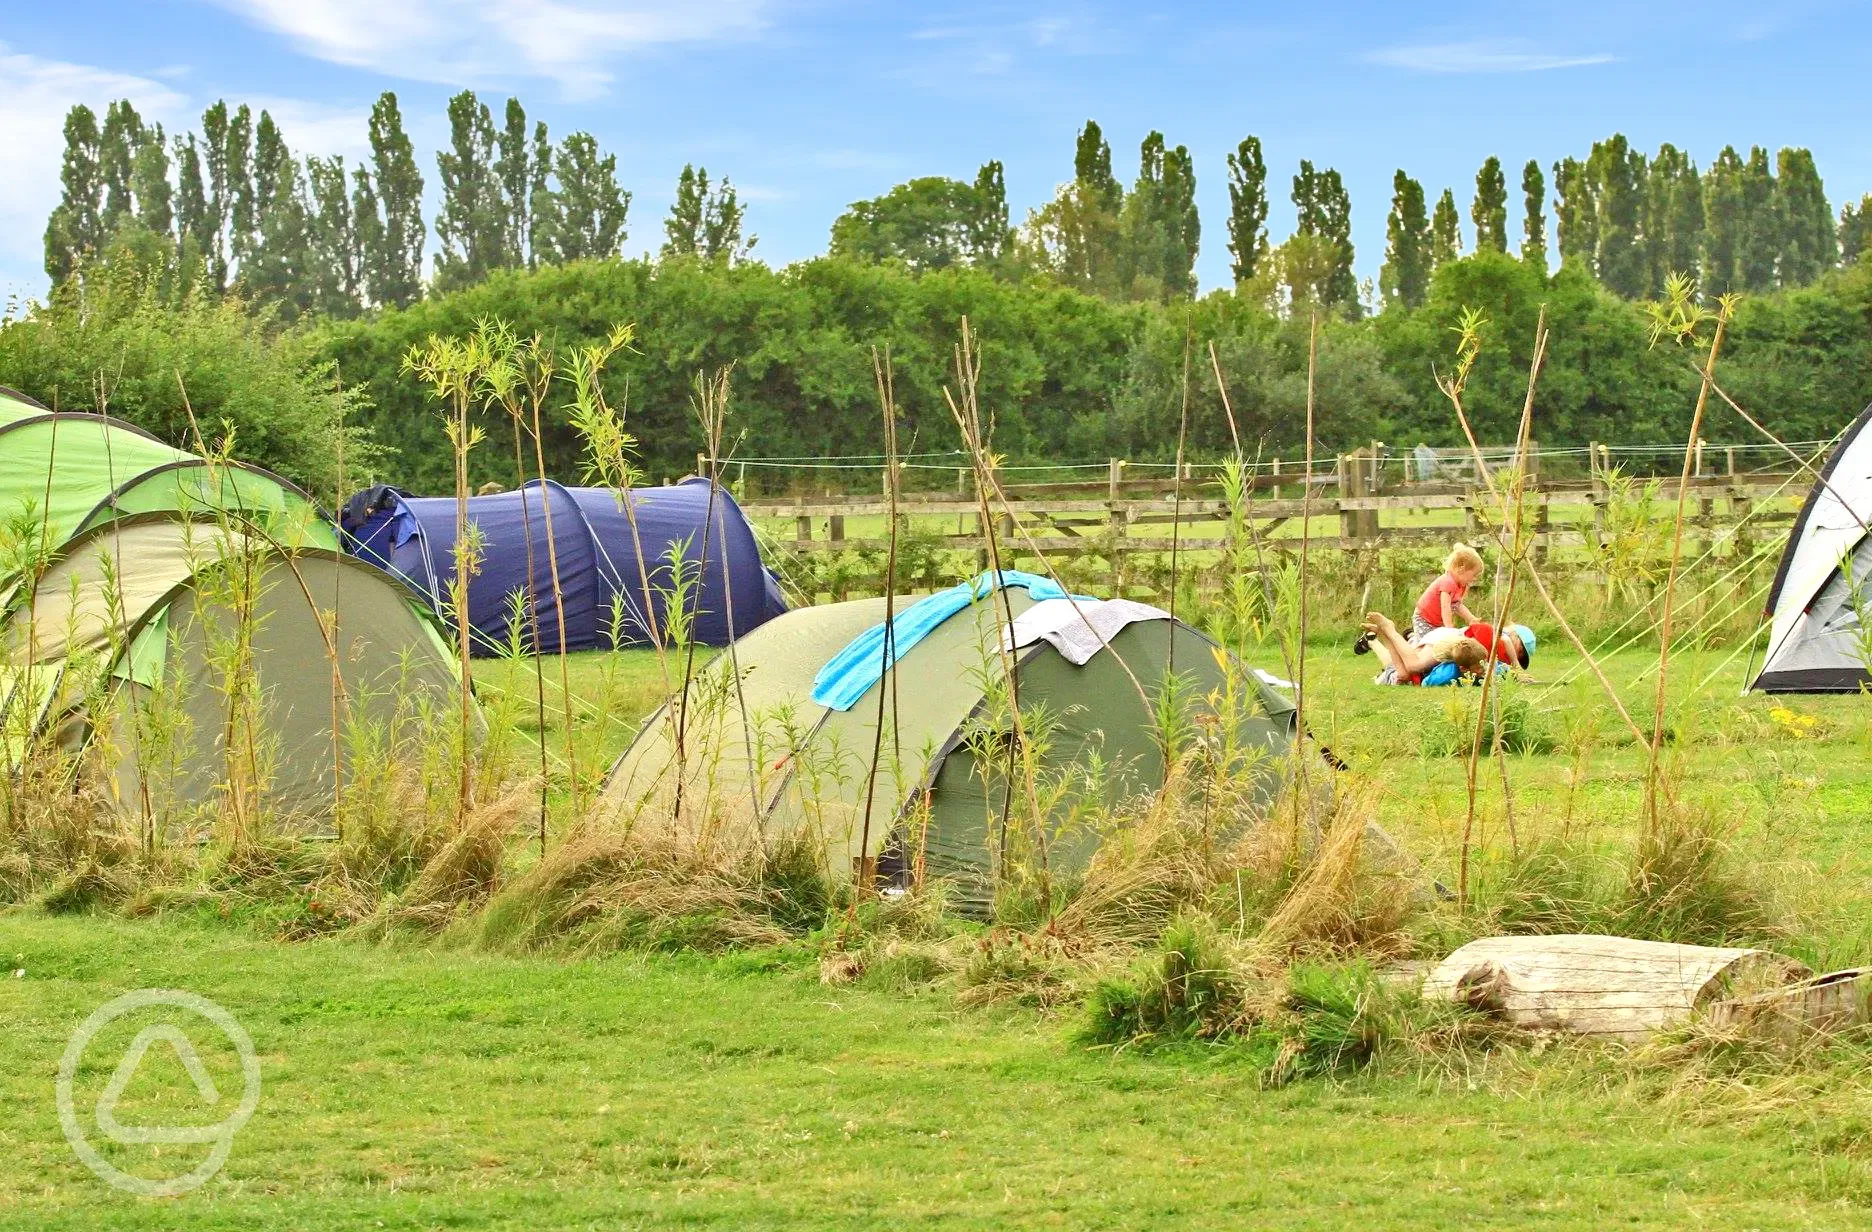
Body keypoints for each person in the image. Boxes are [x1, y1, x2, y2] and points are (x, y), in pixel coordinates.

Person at [1361, 612, 1489, 686]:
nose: (1483, 669)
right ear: (1463, 668)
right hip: (1443, 641)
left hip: (1445, 640)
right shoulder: (1448, 673)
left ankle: (1383, 633)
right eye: (1479, 667)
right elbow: (1426, 683)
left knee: (1400, 669)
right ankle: (1386, 632)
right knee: (1401, 673)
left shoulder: (1472, 661)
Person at [1411, 544, 1483, 638]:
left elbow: (1457, 605)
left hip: (1437, 623)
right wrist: (1449, 629)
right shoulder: (1447, 582)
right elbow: (1445, 608)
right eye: (1474, 575)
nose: (1474, 579)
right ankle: (1411, 639)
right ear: (1461, 570)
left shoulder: (1461, 585)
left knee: (1438, 644)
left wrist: (1470, 618)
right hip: (1424, 619)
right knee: (1425, 644)